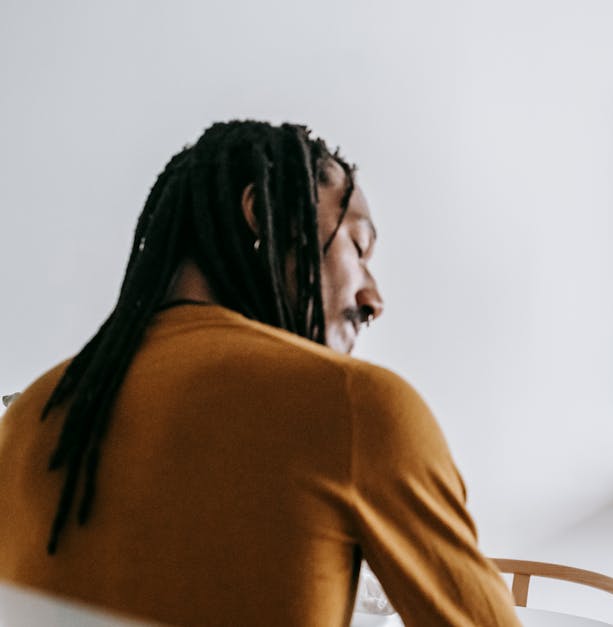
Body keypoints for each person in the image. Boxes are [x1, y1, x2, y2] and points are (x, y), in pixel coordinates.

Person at [0, 121, 521, 626]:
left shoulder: (32, 415)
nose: (374, 299)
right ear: (265, 217)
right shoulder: (353, 406)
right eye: (357, 248)